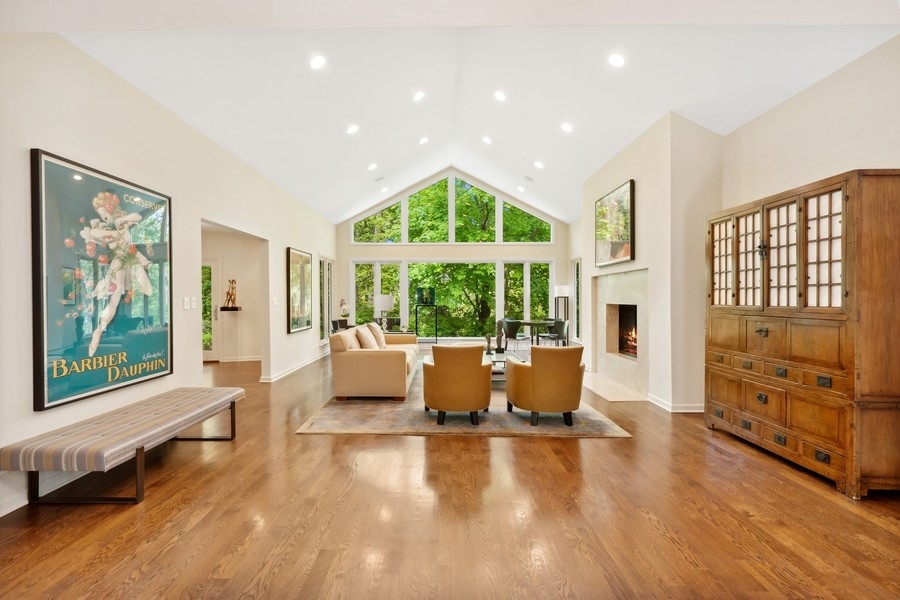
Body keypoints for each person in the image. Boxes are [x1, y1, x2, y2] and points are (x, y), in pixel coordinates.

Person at [80, 193, 153, 357]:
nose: (103, 215)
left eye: (104, 211)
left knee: (148, 288)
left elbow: (137, 216)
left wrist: (120, 222)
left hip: (130, 261)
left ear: (111, 208)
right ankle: (99, 330)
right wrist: (106, 233)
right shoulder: (105, 229)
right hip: (119, 264)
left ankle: (99, 330)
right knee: (113, 301)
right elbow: (91, 234)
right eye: (100, 213)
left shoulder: (121, 223)